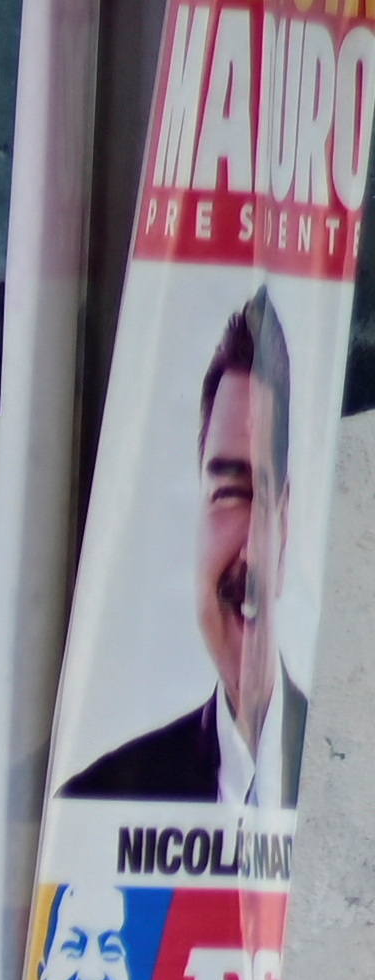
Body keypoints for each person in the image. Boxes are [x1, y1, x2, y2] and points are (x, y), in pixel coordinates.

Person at [65, 290, 311, 806]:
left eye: (263, 498)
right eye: (227, 494)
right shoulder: (99, 800)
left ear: (288, 522)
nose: (248, 549)